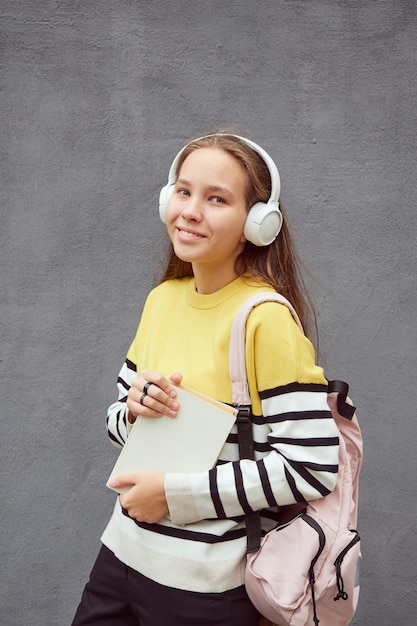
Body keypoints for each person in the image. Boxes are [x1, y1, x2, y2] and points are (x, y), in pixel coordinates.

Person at [72, 132, 340, 626]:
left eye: (216, 198)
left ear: (256, 225)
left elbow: (314, 466)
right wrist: (133, 411)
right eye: (183, 191)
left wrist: (177, 497)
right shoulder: (163, 300)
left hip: (205, 588)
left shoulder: (264, 319)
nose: (191, 210)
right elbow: (116, 425)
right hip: (121, 557)